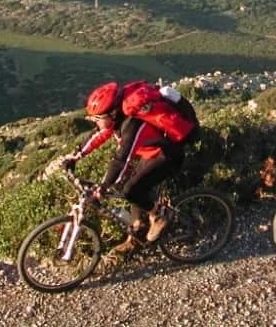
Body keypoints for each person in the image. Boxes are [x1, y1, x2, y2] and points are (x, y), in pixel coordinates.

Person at [61, 81, 188, 255]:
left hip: (167, 155)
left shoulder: (133, 125)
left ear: (112, 113)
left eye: (97, 118)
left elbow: (121, 159)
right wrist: (75, 156)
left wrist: (104, 186)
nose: (94, 122)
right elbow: (99, 135)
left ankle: (159, 216)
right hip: (151, 155)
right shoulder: (116, 120)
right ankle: (137, 234)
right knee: (132, 188)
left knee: (131, 190)